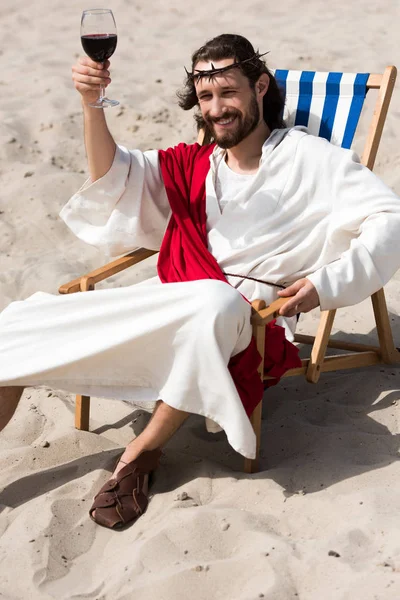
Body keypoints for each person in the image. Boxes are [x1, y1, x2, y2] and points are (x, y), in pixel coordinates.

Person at [0, 34, 399, 530]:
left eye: (228, 92)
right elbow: (113, 177)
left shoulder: (311, 159)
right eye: (206, 97)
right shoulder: (194, 165)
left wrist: (327, 283)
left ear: (260, 87)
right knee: (17, 322)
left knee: (215, 301)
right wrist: (91, 105)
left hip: (243, 320)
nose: (217, 108)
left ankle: (140, 454)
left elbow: (389, 218)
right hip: (175, 303)